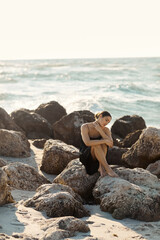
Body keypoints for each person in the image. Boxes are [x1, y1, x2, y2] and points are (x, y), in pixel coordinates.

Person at [80, 111, 118, 177]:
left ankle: (101, 167)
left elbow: (111, 144)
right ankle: (108, 169)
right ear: (100, 116)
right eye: (106, 120)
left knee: (102, 144)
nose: (106, 123)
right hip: (87, 157)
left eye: (108, 122)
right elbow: (87, 143)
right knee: (97, 144)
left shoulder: (106, 130)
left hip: (100, 159)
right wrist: (104, 140)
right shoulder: (85, 126)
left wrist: (100, 131)